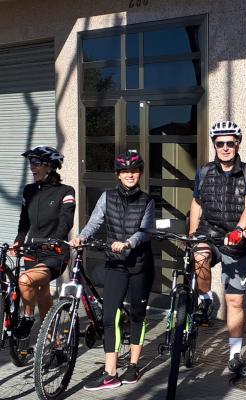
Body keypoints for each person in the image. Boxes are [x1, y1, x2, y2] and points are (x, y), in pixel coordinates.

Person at [71, 150, 155, 390]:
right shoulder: (107, 197)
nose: (130, 175)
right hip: (115, 264)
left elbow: (145, 231)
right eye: (125, 171)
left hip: (140, 264)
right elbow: (95, 221)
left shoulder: (147, 200)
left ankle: (134, 366)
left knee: (138, 314)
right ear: (118, 174)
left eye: (134, 170)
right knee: (110, 317)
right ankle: (110, 373)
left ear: (139, 173)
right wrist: (82, 237)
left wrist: (128, 243)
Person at [189, 120, 246, 378]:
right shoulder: (204, 171)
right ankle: (205, 298)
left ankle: (235, 356)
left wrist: (239, 230)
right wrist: (192, 234)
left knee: (235, 301)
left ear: (238, 144)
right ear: (214, 145)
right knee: (200, 255)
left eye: (230, 143)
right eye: (220, 144)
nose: (226, 148)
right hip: (209, 233)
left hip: (236, 241)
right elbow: (196, 202)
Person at [14, 146, 75, 339]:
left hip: (55, 253)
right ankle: (55, 342)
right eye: (30, 162)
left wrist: (55, 240)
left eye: (36, 163)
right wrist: (19, 240)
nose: (32, 167)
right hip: (33, 250)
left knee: (25, 280)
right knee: (43, 293)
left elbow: (66, 222)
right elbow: (24, 221)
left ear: (50, 166)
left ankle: (28, 318)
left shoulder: (65, 191)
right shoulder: (29, 191)